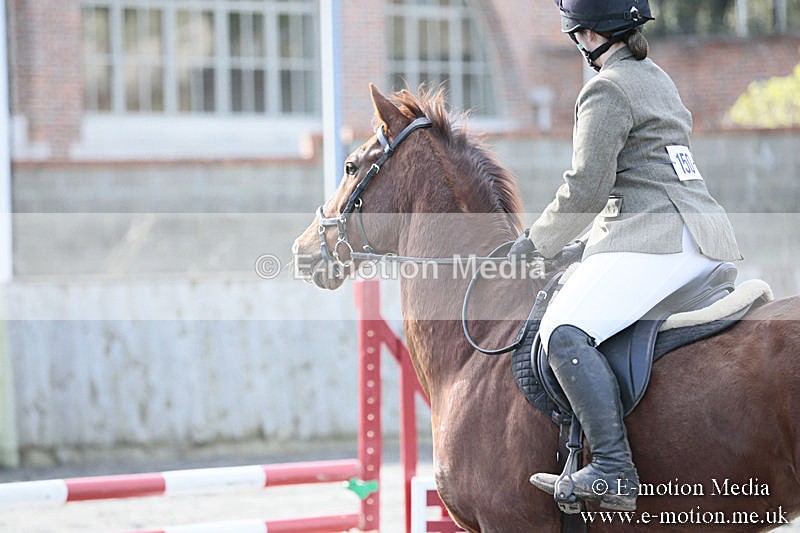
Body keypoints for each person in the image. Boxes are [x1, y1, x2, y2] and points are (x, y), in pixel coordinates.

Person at [508, 0, 742, 511]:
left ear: (587, 35)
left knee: (563, 332)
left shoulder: (606, 88)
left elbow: (586, 190)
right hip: (701, 239)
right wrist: (578, 248)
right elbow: (643, 180)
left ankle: (613, 468)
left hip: (658, 242)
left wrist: (535, 244)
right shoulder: (655, 76)